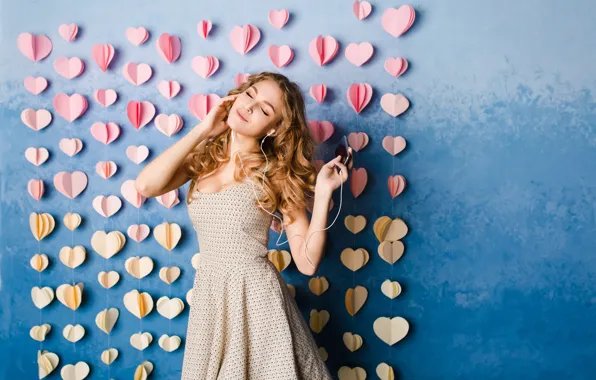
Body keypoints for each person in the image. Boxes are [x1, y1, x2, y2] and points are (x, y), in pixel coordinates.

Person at [135, 71, 348, 379]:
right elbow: (145, 186)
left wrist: (325, 192)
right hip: (211, 297)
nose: (249, 107)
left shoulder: (276, 174)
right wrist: (204, 129)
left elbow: (307, 262)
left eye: (265, 109)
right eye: (250, 95)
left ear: (274, 128)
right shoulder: (203, 159)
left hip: (257, 300)